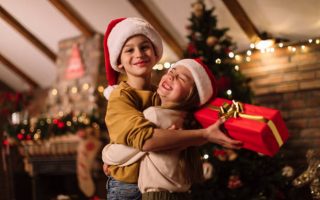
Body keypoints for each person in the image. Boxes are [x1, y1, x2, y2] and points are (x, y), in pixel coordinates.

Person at [103, 17, 242, 200]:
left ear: (155, 53)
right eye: (129, 50)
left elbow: (162, 144)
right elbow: (146, 140)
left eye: (144, 47)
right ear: (119, 62)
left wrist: (110, 155)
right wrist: (199, 135)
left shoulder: (160, 95)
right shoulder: (121, 96)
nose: (139, 54)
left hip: (152, 186)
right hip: (127, 187)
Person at [103, 58, 223, 200]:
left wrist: (106, 152)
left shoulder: (155, 114)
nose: (171, 76)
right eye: (172, 71)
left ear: (191, 95)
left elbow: (118, 155)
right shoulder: (184, 120)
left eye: (181, 78)